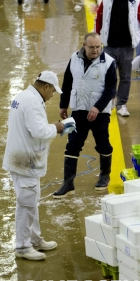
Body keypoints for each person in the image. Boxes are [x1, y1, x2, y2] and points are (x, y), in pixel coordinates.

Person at [2, 71, 64, 261]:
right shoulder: (32, 102)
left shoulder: (23, 96)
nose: (53, 95)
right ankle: (22, 246)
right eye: (52, 91)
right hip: (25, 161)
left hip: (20, 157)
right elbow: (39, 131)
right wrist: (58, 127)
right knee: (26, 204)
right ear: (46, 87)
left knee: (32, 201)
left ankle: (35, 239)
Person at [52, 33, 117, 198]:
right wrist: (62, 105)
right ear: (84, 45)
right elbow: (67, 82)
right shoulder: (74, 58)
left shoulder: (109, 62)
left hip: (100, 113)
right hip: (78, 110)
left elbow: (111, 90)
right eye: (92, 47)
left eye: (98, 47)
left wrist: (97, 107)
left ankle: (104, 175)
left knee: (103, 143)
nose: (96, 50)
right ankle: (68, 184)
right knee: (72, 144)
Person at [95, 0, 140, 117]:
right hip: (109, 46)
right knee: (108, 76)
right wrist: (97, 41)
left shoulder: (135, 1)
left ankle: (121, 104)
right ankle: (109, 100)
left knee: (125, 78)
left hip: (127, 47)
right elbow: (99, 21)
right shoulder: (106, 1)